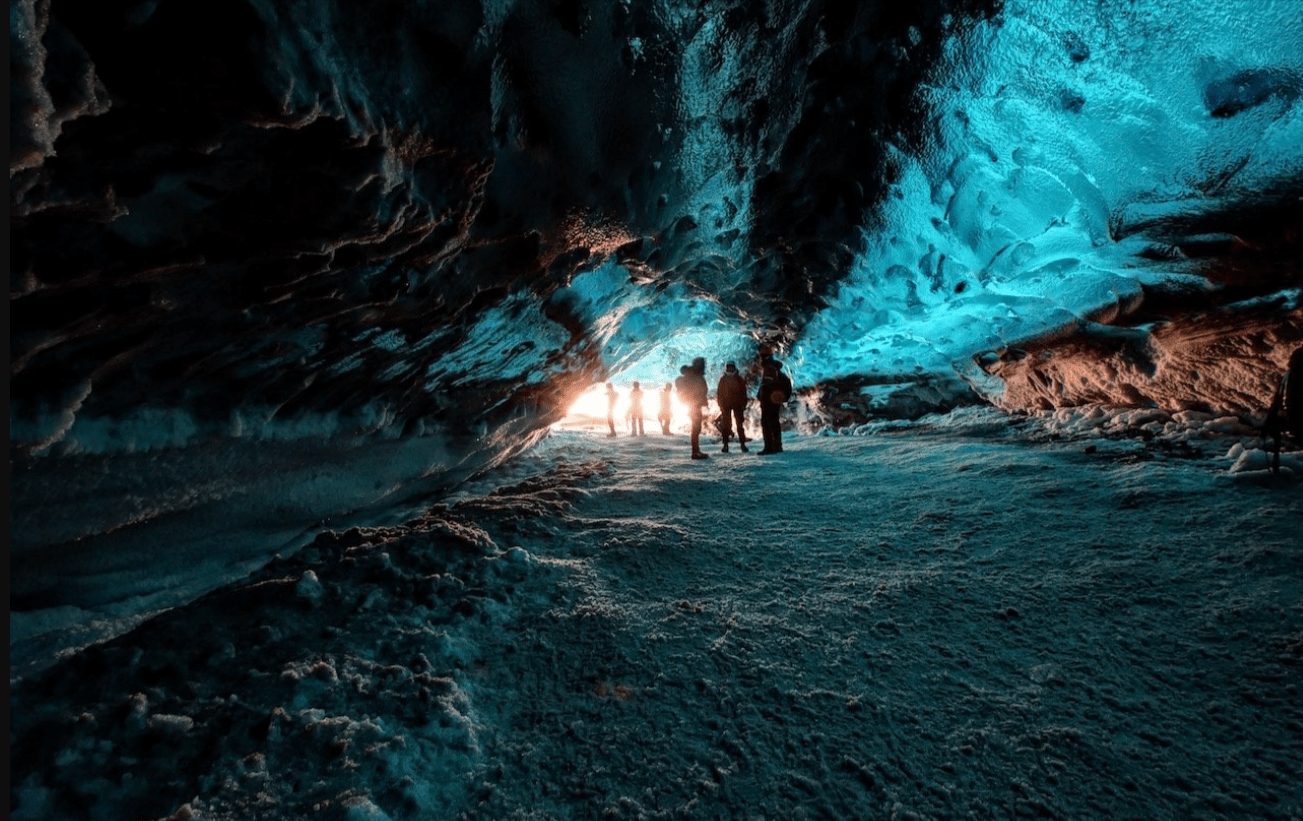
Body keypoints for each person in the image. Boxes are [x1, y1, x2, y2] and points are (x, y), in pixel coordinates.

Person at [1262, 344, 1303, 473]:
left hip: (1291, 420)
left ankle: (1276, 471)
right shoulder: (1292, 376)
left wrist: (1269, 421)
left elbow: (1277, 400)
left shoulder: (1287, 376)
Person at [675, 357, 710, 459]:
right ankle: (695, 452)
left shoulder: (695, 374)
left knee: (697, 428)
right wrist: (698, 398)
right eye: (702, 364)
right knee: (696, 428)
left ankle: (696, 450)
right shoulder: (692, 375)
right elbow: (696, 390)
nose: (703, 366)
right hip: (694, 404)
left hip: (695, 404)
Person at [756, 358, 793, 455]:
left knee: (770, 424)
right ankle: (775, 446)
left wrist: (782, 399)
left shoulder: (777, 377)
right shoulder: (777, 376)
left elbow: (787, 390)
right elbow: (762, 389)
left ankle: (771, 447)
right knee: (772, 424)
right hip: (768, 404)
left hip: (770, 404)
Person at [715, 361, 749, 453]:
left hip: (738, 405)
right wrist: (720, 404)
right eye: (728, 367)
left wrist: (744, 404)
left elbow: (744, 393)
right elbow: (719, 393)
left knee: (739, 426)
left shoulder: (739, 379)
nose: (730, 369)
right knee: (726, 426)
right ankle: (725, 445)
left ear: (734, 367)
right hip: (726, 406)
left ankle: (742, 444)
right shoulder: (723, 379)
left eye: (731, 367)